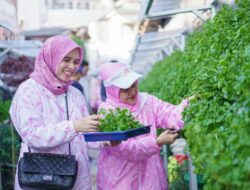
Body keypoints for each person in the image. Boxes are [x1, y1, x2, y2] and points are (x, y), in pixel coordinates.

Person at [9, 35, 101, 190]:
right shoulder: (29, 90)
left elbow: (83, 136)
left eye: (76, 62)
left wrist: (107, 139)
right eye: (66, 59)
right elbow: (32, 136)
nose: (72, 66)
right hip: (40, 179)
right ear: (51, 57)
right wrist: (74, 126)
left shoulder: (75, 93)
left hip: (76, 179)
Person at [97, 61, 190, 190]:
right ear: (112, 91)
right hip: (120, 180)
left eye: (133, 84)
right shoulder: (107, 112)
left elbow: (170, 113)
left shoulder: (147, 102)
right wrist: (156, 142)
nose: (132, 91)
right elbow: (125, 149)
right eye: (125, 90)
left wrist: (189, 104)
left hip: (150, 178)